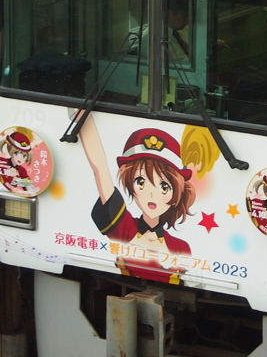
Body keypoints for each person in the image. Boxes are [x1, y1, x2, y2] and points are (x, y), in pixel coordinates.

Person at [78, 113, 195, 283]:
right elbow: (100, 169)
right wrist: (83, 119)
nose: (152, 194)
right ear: (130, 186)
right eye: (141, 182)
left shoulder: (181, 247)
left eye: (164, 187)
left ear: (177, 195)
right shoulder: (125, 228)